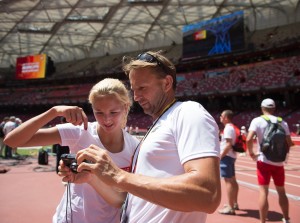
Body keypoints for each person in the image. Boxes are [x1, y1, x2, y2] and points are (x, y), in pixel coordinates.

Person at [72, 51, 221, 223]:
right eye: (134, 90)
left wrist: (119, 176)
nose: (136, 97)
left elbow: (207, 194)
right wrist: (92, 178)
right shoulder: (160, 124)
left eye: (142, 88)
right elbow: (135, 198)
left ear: (166, 83)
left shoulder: (188, 112)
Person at [4, 78, 140, 223]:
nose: (106, 119)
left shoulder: (135, 148)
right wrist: (53, 112)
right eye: (99, 112)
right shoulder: (79, 132)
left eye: (113, 112)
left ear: (126, 107)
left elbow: (122, 200)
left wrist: (92, 178)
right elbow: (12, 141)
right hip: (69, 219)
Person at [246, 98, 294, 223]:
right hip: (279, 162)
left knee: (263, 191)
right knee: (282, 191)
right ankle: (287, 218)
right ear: (274, 109)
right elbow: (289, 143)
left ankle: (263, 221)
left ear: (262, 108)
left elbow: (249, 138)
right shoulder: (282, 122)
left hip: (263, 161)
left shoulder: (257, 121)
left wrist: (251, 153)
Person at [218, 110, 239, 215]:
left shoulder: (228, 128)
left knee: (228, 181)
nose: (220, 117)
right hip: (231, 156)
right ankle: (234, 203)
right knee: (233, 180)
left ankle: (231, 207)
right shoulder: (232, 127)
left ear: (226, 117)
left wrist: (220, 156)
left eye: (221, 116)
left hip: (227, 156)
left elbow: (228, 145)